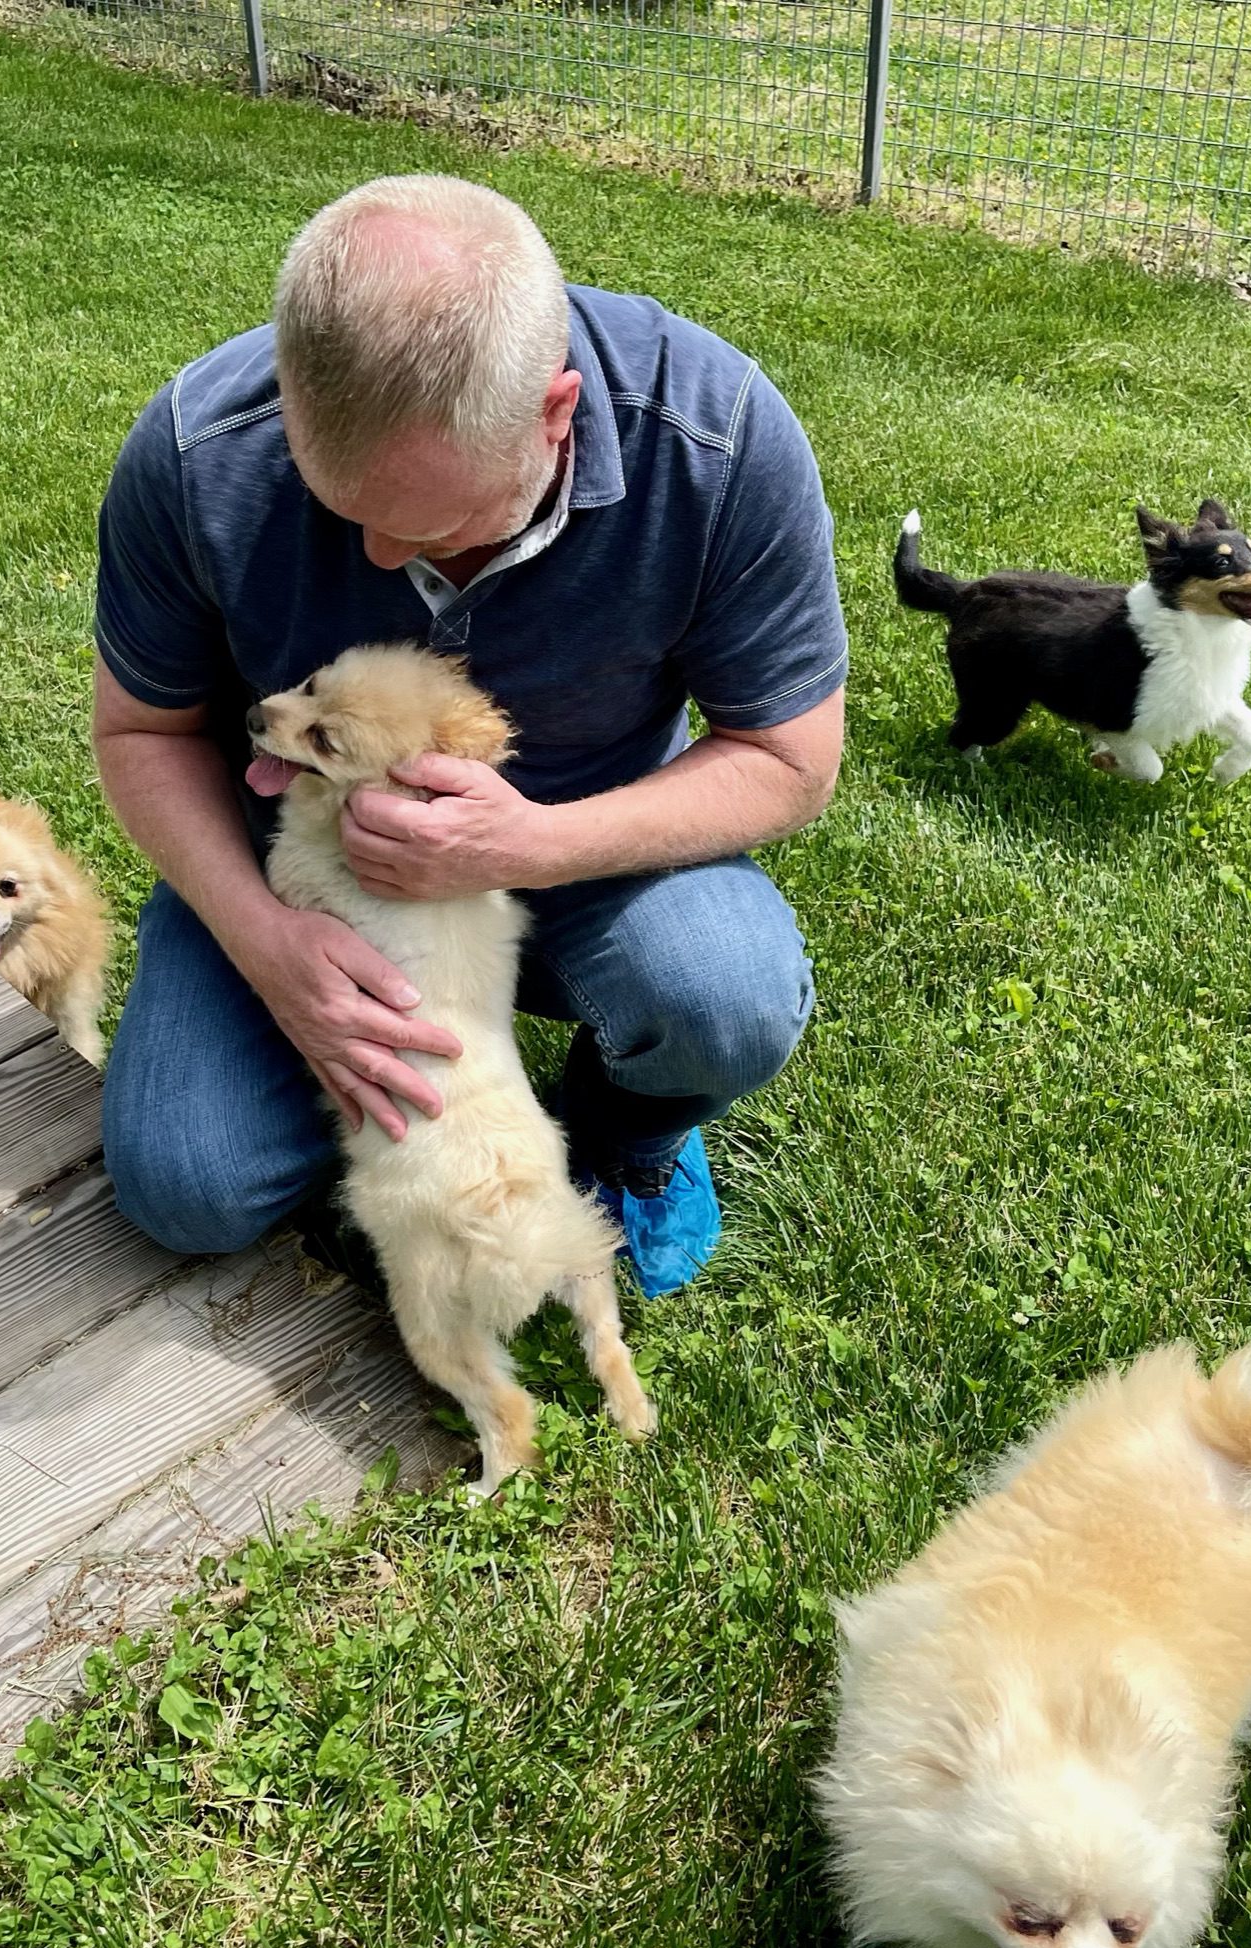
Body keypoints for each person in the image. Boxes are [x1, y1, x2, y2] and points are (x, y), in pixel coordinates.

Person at [93, 173, 847, 1298]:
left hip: (583, 853)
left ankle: (621, 1129)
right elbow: (138, 733)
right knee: (190, 1184)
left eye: (430, 523)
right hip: (300, 872)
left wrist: (528, 848)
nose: (384, 563)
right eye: (344, 512)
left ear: (557, 415)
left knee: (720, 994)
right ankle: (380, 1095)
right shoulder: (203, 446)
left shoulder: (716, 441)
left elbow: (792, 763)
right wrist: (264, 941)